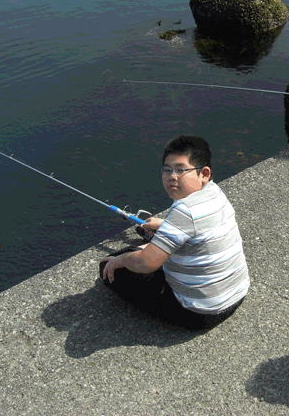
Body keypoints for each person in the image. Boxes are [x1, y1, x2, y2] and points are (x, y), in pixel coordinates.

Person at [100, 134, 249, 330]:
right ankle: (153, 246)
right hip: (236, 295)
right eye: (167, 170)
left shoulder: (184, 211)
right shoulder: (215, 192)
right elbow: (202, 227)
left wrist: (121, 261)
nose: (172, 176)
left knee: (109, 264)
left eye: (181, 170)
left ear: (203, 173)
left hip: (199, 313)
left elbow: (146, 263)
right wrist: (165, 225)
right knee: (146, 245)